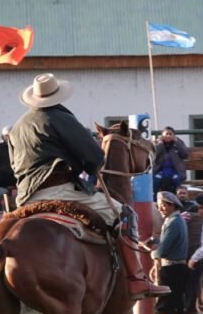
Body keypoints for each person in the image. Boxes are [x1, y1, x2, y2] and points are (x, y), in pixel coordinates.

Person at [9, 73, 169, 299]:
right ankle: (136, 279)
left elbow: (12, 165)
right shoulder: (60, 118)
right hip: (60, 191)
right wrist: (88, 165)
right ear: (57, 94)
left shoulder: (18, 126)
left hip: (26, 197)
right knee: (124, 213)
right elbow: (94, 157)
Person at [151, 191, 190, 314]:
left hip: (170, 269)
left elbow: (162, 251)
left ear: (171, 205)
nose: (160, 209)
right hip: (179, 268)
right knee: (177, 304)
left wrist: (154, 252)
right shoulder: (178, 221)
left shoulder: (172, 222)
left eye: (162, 206)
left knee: (163, 304)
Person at [153, 126, 189, 195]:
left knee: (176, 180)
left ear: (174, 135)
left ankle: (177, 198)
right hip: (160, 171)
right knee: (156, 180)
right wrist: (160, 145)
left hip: (176, 171)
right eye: (166, 134)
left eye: (170, 134)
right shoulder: (157, 143)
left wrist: (177, 143)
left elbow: (185, 155)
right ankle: (155, 198)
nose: (168, 136)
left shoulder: (178, 142)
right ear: (162, 135)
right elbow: (153, 156)